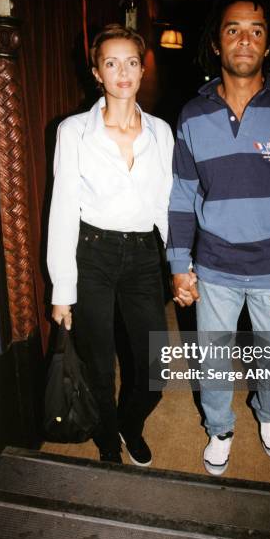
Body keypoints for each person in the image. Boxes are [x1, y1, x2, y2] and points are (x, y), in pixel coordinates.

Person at [167, 0, 270, 475]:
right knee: (212, 360)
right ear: (217, 41)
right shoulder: (192, 115)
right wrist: (178, 265)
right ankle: (219, 428)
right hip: (214, 266)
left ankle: (268, 414)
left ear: (268, 42)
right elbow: (182, 197)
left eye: (255, 30)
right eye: (233, 29)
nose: (244, 40)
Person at [47, 24, 173, 465]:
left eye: (132, 62)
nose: (123, 71)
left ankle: (128, 424)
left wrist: (178, 265)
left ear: (142, 69)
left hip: (142, 256)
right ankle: (106, 441)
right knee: (100, 365)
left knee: (155, 369)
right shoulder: (74, 131)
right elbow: (62, 209)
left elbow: (165, 206)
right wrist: (63, 290)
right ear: (97, 72)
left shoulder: (161, 133)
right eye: (112, 62)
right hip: (92, 253)